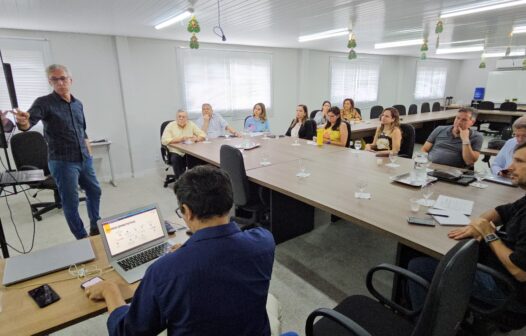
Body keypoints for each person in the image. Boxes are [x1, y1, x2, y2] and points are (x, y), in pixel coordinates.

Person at [85, 165, 276, 336]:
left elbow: (127, 332)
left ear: (187, 211)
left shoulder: (164, 271)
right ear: (229, 202)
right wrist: (188, 249)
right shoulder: (264, 242)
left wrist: (111, 291)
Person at [408, 142, 526, 312]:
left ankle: (426, 326)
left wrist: (489, 234)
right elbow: (500, 212)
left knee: (418, 266)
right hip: (497, 268)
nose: (510, 167)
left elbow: (520, 272)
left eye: (519, 161)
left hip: (507, 290)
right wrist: (475, 225)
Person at [15, 64, 101, 239]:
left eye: (63, 78)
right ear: (50, 82)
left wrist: (89, 154)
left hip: (84, 158)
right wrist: (23, 122)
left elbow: (82, 130)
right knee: (71, 202)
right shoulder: (44, 103)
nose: (60, 82)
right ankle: (81, 237)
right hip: (63, 162)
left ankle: (95, 225)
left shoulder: (78, 104)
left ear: (70, 80)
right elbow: (28, 123)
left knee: (95, 191)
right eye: (55, 79)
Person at [161, 109, 206, 179]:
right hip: (175, 151)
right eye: (179, 116)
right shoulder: (170, 125)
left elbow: (202, 134)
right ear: (176, 118)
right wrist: (181, 139)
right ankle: (180, 182)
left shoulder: (191, 124)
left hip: (189, 151)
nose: (181, 118)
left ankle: (193, 180)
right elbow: (164, 140)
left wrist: (196, 139)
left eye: (183, 117)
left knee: (197, 158)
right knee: (175, 159)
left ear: (187, 118)